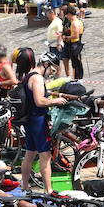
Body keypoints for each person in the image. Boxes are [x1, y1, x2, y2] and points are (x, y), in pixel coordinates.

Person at [14, 50, 68, 193]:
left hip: (29, 120)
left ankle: (24, 185)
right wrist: (56, 100)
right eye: (51, 69)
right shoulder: (37, 78)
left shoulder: (28, 76)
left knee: (29, 154)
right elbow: (39, 101)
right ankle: (48, 190)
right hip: (38, 120)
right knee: (45, 155)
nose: (51, 73)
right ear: (45, 64)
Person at [62, 5, 85, 80]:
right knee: (75, 64)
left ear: (69, 14)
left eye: (66, 15)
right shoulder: (77, 21)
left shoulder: (75, 22)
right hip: (75, 44)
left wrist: (66, 37)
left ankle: (78, 78)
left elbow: (75, 36)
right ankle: (77, 78)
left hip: (75, 44)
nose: (66, 16)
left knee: (76, 64)